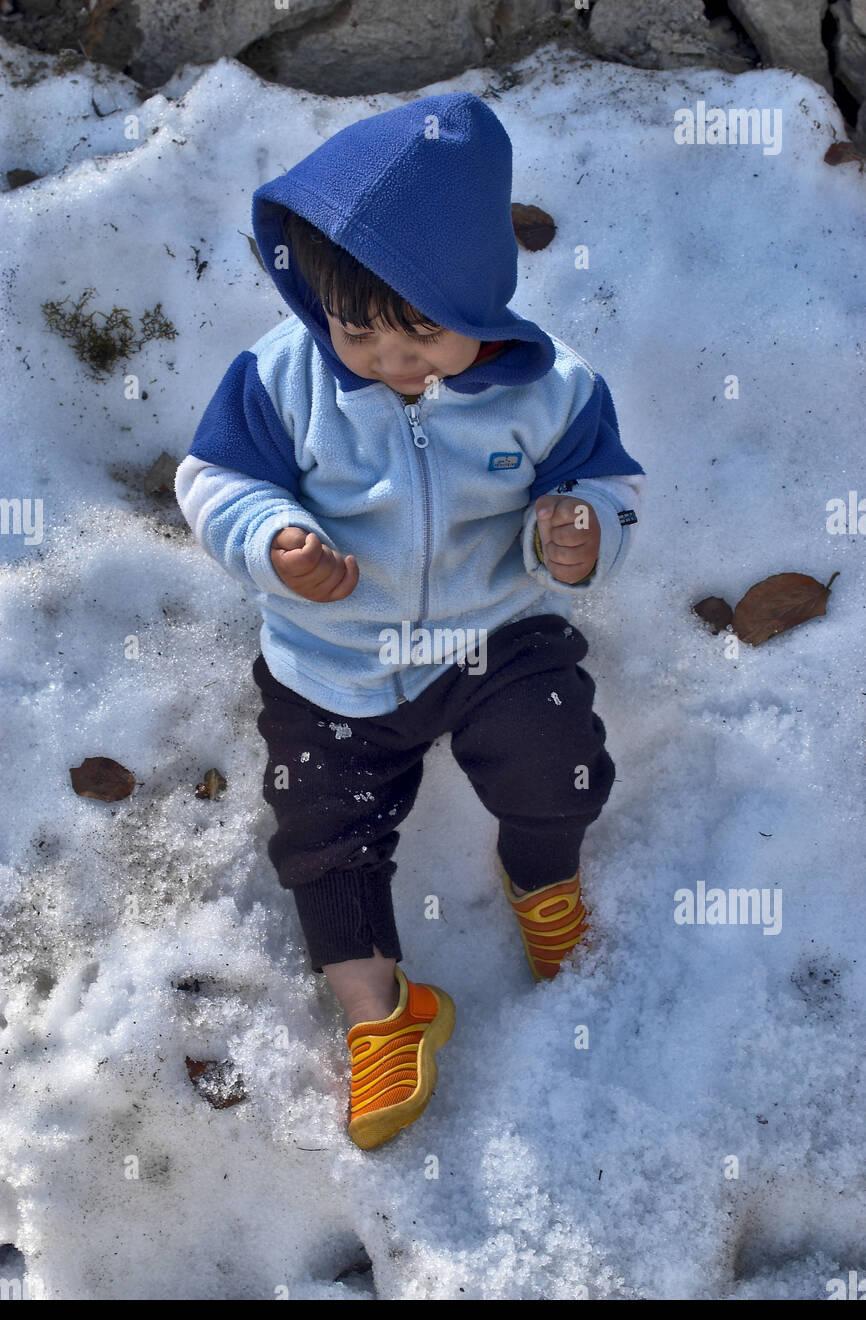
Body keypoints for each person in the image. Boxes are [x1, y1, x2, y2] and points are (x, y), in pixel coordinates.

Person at [175, 91, 645, 1151]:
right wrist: (271, 538)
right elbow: (212, 476)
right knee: (321, 837)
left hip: (493, 634)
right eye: (355, 329)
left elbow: (602, 479)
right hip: (331, 660)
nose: (386, 357)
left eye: (419, 332)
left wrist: (578, 526)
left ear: (476, 296)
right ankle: (381, 1011)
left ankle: (540, 874)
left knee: (557, 757)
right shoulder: (283, 375)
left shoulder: (551, 389)